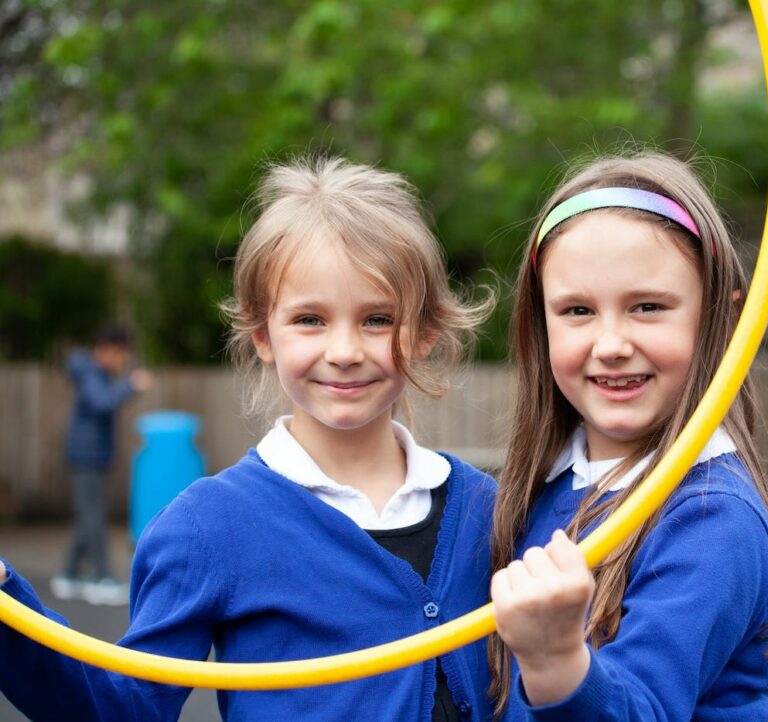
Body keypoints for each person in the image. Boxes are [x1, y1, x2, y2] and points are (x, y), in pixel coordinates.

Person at [0, 156, 497, 720]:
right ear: (263, 335)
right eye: (310, 319)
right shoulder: (207, 526)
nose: (344, 350)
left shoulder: (489, 509)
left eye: (377, 319)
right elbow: (122, 707)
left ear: (426, 332)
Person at [487, 149, 768, 720]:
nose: (610, 343)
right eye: (578, 310)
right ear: (542, 323)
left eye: (648, 307)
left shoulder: (712, 515)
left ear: (720, 319)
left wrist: (556, 660)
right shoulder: (543, 487)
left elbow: (646, 706)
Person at [52, 324, 152, 606]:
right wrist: (131, 385)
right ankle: (101, 577)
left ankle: (69, 574)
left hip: (92, 454)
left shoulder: (95, 372)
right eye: (121, 354)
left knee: (89, 515)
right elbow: (102, 403)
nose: (122, 361)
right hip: (85, 455)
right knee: (93, 517)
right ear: (107, 349)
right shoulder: (89, 372)